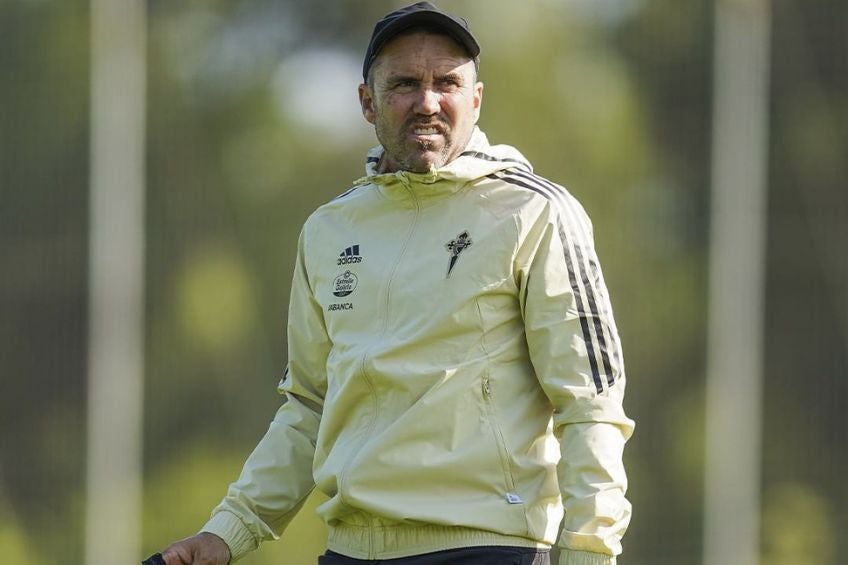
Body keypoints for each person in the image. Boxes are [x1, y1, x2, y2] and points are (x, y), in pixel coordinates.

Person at [148, 2, 634, 564]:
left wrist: (589, 550)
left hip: (487, 549)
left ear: (475, 100)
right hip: (351, 552)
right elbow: (308, 406)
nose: (427, 102)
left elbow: (590, 404)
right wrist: (227, 532)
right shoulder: (329, 230)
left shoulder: (536, 213)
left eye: (446, 83)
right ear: (366, 101)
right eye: (404, 84)